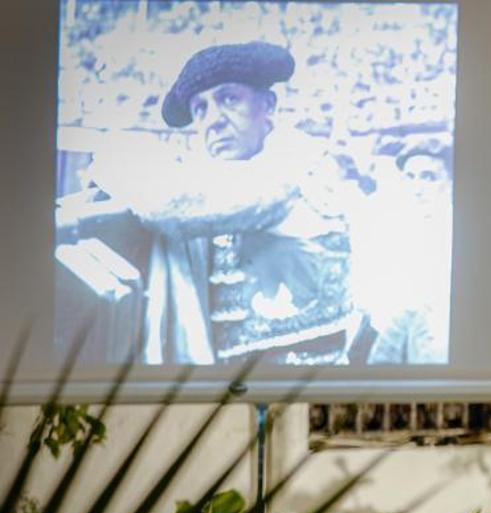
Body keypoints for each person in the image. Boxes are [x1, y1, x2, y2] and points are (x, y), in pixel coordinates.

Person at [71, 41, 360, 365]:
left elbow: (165, 204)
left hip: (308, 379)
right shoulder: (227, 178)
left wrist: (109, 164)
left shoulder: (294, 162)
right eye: (200, 109)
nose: (213, 120)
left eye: (229, 99)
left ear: (268, 105)